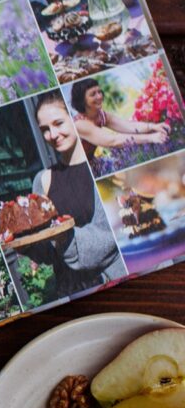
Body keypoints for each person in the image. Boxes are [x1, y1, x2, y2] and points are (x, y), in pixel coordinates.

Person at [21, 94, 126, 295]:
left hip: (117, 280)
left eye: (58, 123)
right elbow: (50, 253)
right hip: (72, 292)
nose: (53, 134)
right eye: (45, 129)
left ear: (75, 119)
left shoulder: (105, 166)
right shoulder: (42, 180)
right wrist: (26, 246)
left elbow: (111, 235)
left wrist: (65, 236)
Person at [69, 77, 169, 164]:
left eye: (99, 92)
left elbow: (128, 126)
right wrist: (151, 137)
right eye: (93, 94)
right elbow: (112, 140)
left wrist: (153, 126)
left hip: (91, 162)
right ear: (82, 101)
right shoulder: (80, 124)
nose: (99, 96)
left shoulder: (101, 115)